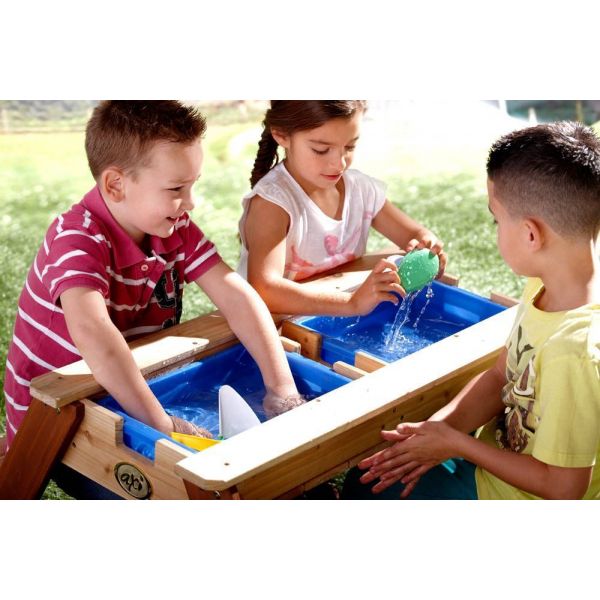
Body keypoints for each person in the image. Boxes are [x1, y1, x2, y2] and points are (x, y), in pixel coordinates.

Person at [2, 101, 304, 498]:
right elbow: (94, 333)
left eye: (192, 185)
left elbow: (236, 295)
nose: (191, 202)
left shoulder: (172, 228)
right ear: (115, 185)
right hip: (60, 424)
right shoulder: (76, 238)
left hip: (134, 390)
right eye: (177, 189)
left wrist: (281, 387)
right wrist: (162, 426)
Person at [343, 121, 600, 500]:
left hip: (512, 498)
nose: (495, 228)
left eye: (497, 219)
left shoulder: (574, 351)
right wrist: (435, 430)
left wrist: (457, 445)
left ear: (531, 235)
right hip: (492, 462)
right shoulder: (551, 282)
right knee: (364, 479)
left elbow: (563, 489)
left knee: (365, 492)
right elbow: (501, 375)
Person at [237, 101, 447, 316]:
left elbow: (413, 234)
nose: (339, 164)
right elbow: (264, 290)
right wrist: (351, 304)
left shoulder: (360, 190)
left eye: (349, 147)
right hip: (270, 323)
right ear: (281, 135)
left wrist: (427, 247)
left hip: (331, 312)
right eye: (321, 150)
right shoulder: (273, 203)